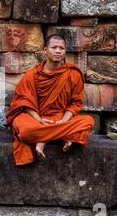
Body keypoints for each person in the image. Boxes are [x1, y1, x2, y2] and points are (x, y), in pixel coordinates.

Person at [6, 34, 95, 165]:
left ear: (65, 51)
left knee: (88, 122)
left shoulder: (73, 74)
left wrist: (62, 122)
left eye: (62, 48)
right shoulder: (32, 75)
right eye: (54, 47)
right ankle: (63, 135)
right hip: (36, 119)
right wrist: (39, 120)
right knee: (23, 127)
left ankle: (43, 140)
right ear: (45, 50)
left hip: (61, 119)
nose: (58, 51)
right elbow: (25, 102)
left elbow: (75, 103)